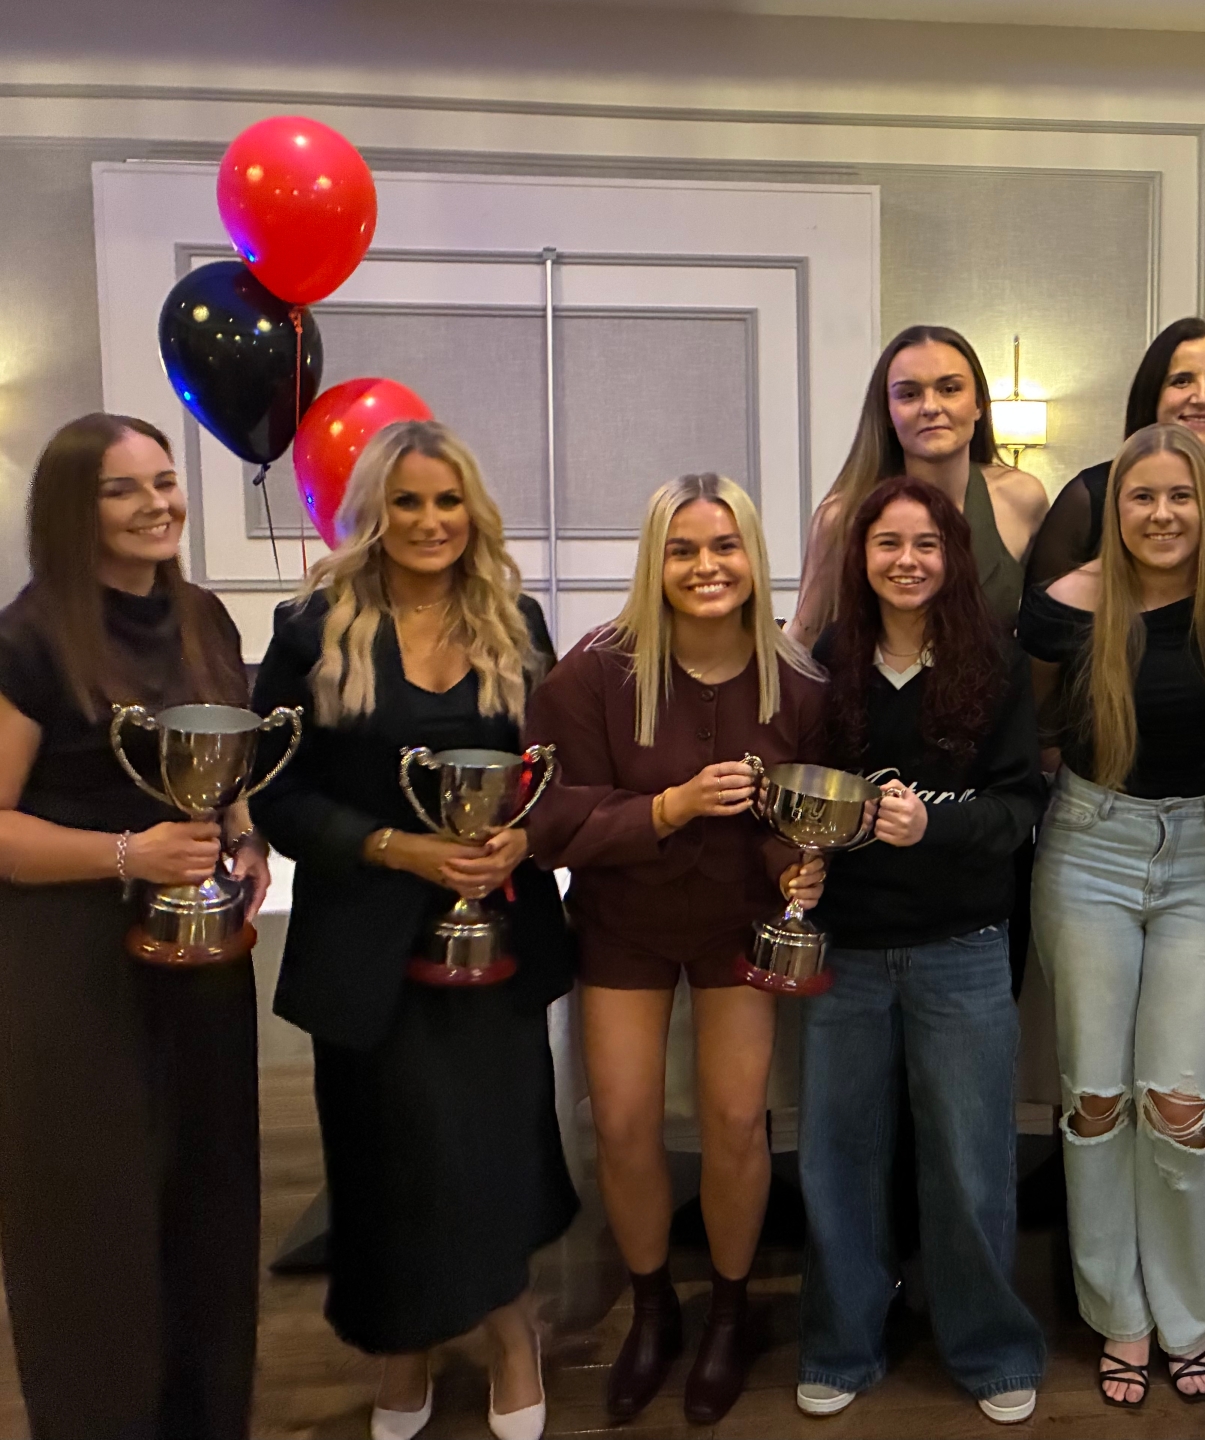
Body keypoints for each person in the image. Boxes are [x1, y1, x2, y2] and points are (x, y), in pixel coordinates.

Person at [250, 420, 577, 1440]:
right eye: (408, 502)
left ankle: (512, 1332)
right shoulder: (311, 628)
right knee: (387, 1150)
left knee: (495, 1144)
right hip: (366, 948)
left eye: (448, 501)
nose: (431, 521)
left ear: (472, 511)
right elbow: (274, 793)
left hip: (498, 940)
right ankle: (402, 1341)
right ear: (373, 514)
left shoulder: (518, 622)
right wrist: (397, 848)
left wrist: (523, 840)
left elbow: (557, 771)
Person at [524, 473, 825, 1427]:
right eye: (683, 550)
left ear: (753, 558)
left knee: (736, 1122)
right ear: (655, 562)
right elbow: (548, 823)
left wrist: (798, 867)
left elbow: (801, 813)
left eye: (724, 546)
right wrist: (667, 808)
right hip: (624, 924)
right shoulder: (593, 673)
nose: (706, 567)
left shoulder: (798, 681)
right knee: (622, 1123)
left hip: (739, 926)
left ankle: (729, 1315)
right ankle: (652, 1311)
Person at [0, 413, 267, 1440]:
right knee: (91, 1215)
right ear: (75, 508)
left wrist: (242, 836)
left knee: (209, 1196)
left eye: (164, 481)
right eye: (125, 489)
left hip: (199, 953)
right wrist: (129, 855)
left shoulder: (203, 617)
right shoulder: (29, 639)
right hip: (68, 961)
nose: (158, 504)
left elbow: (222, 767)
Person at [1024, 423, 1205, 1408]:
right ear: (1115, 507)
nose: (1163, 514)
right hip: (1089, 849)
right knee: (1095, 1100)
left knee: (1183, 1108)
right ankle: (1119, 1315)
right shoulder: (1065, 604)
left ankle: (1186, 1318)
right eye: (1143, 496)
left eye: (1182, 496)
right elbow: (1036, 733)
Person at [795, 475, 1048, 1425]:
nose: (907, 561)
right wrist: (804, 862)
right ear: (860, 558)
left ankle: (990, 1347)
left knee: (970, 1160)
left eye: (927, 544)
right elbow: (803, 796)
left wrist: (930, 827)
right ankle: (842, 1343)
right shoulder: (827, 661)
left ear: (954, 558)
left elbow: (1019, 808)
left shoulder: (996, 663)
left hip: (963, 946)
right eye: (888, 544)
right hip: (848, 949)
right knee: (839, 1156)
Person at [790, 324, 1048, 643]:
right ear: (887, 412)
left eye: (949, 389)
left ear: (979, 404)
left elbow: (1045, 637)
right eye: (909, 394)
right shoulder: (842, 516)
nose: (930, 407)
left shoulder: (1022, 498)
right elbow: (805, 637)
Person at [1027, 316, 1205, 599]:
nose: (1202, 397)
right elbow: (1041, 616)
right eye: (1182, 381)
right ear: (1152, 396)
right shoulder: (1089, 497)